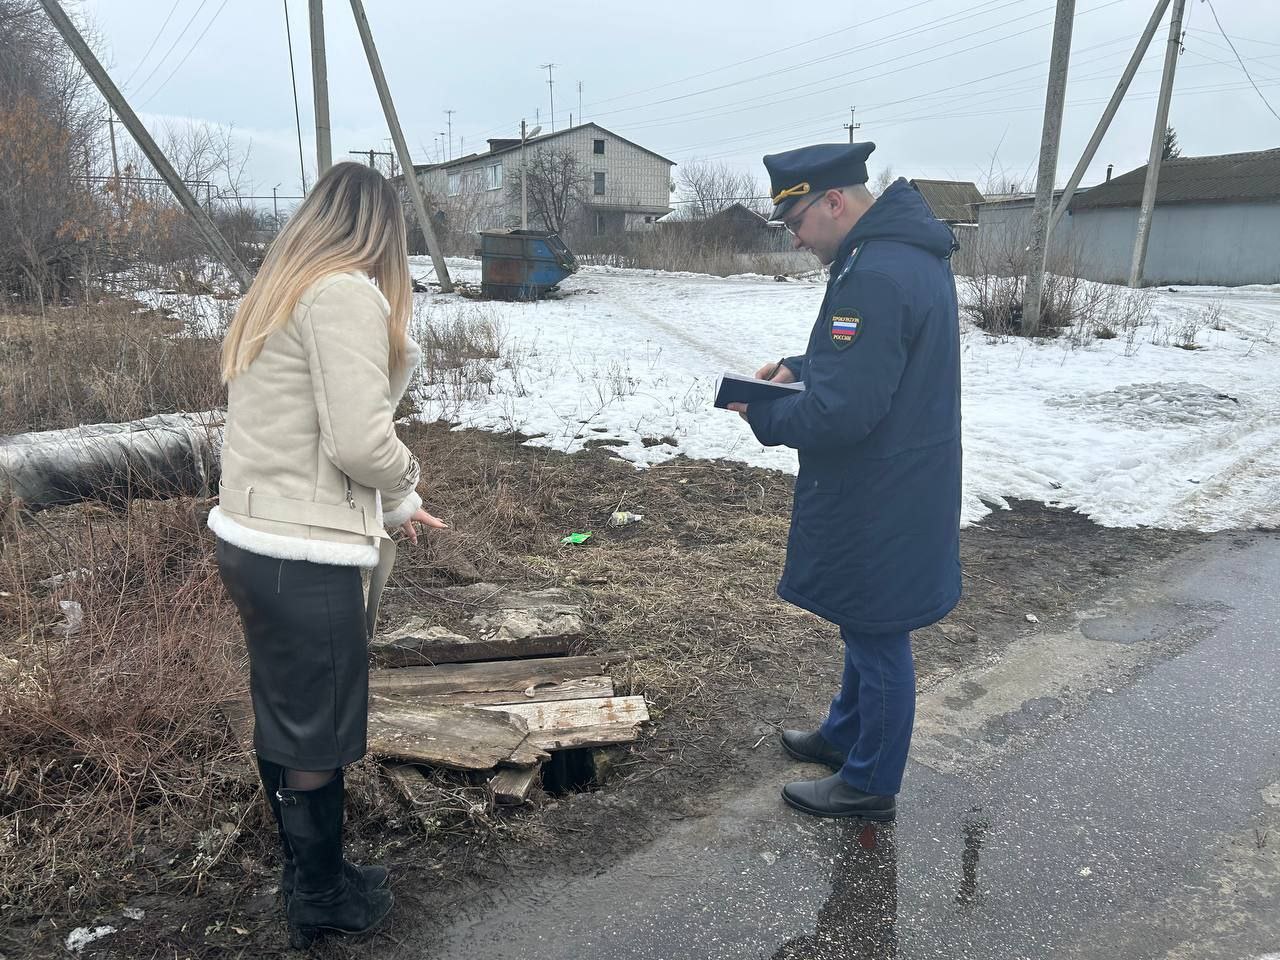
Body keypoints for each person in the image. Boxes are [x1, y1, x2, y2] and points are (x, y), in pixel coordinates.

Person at [209, 161, 446, 947]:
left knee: (287, 717)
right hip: (304, 557)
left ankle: (313, 875)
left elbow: (301, 438)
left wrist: (399, 506)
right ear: (381, 231)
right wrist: (408, 476)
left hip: (254, 542)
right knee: (317, 732)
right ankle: (319, 896)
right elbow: (357, 442)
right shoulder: (344, 291)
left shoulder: (276, 293)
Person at [728, 142, 962, 821]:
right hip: (903, 475)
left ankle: (869, 782)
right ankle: (843, 734)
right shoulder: (899, 254)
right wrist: (802, 366)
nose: (796, 238)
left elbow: (843, 411)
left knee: (878, 632)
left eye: (796, 221)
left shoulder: (874, 272)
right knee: (866, 619)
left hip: (882, 487)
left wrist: (764, 410)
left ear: (834, 202)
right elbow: (876, 362)